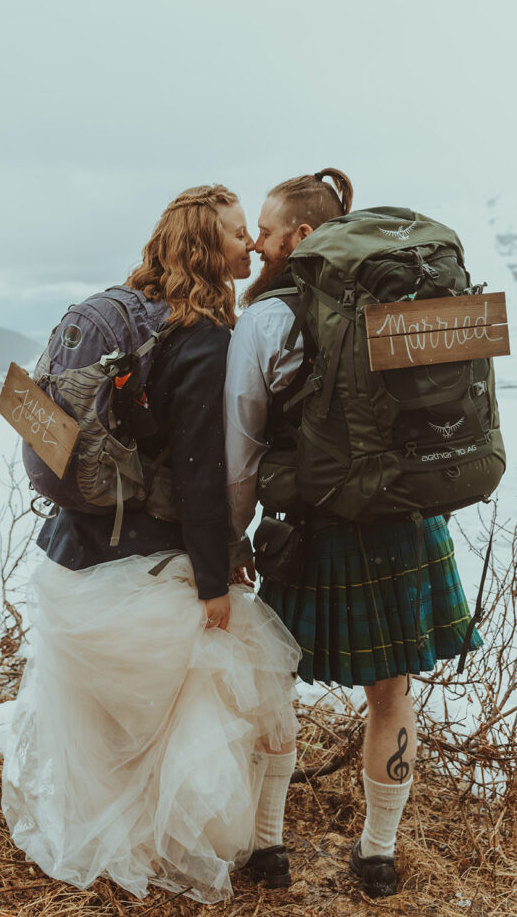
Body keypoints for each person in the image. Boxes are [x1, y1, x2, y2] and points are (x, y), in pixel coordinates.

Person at [1, 184, 302, 904]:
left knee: (106, 713)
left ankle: (107, 836)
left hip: (74, 551)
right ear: (204, 247)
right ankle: (160, 845)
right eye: (236, 234)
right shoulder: (202, 340)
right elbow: (200, 473)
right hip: (147, 556)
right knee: (182, 707)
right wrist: (211, 581)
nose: (248, 246)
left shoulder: (120, 313)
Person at [224, 168, 482, 899]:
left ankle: (268, 847)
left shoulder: (269, 318)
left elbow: (239, 444)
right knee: (390, 693)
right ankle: (376, 855)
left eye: (269, 236)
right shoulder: (400, 300)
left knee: (273, 685)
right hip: (406, 516)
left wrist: (232, 538)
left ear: (302, 236)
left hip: (314, 524)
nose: (260, 249)